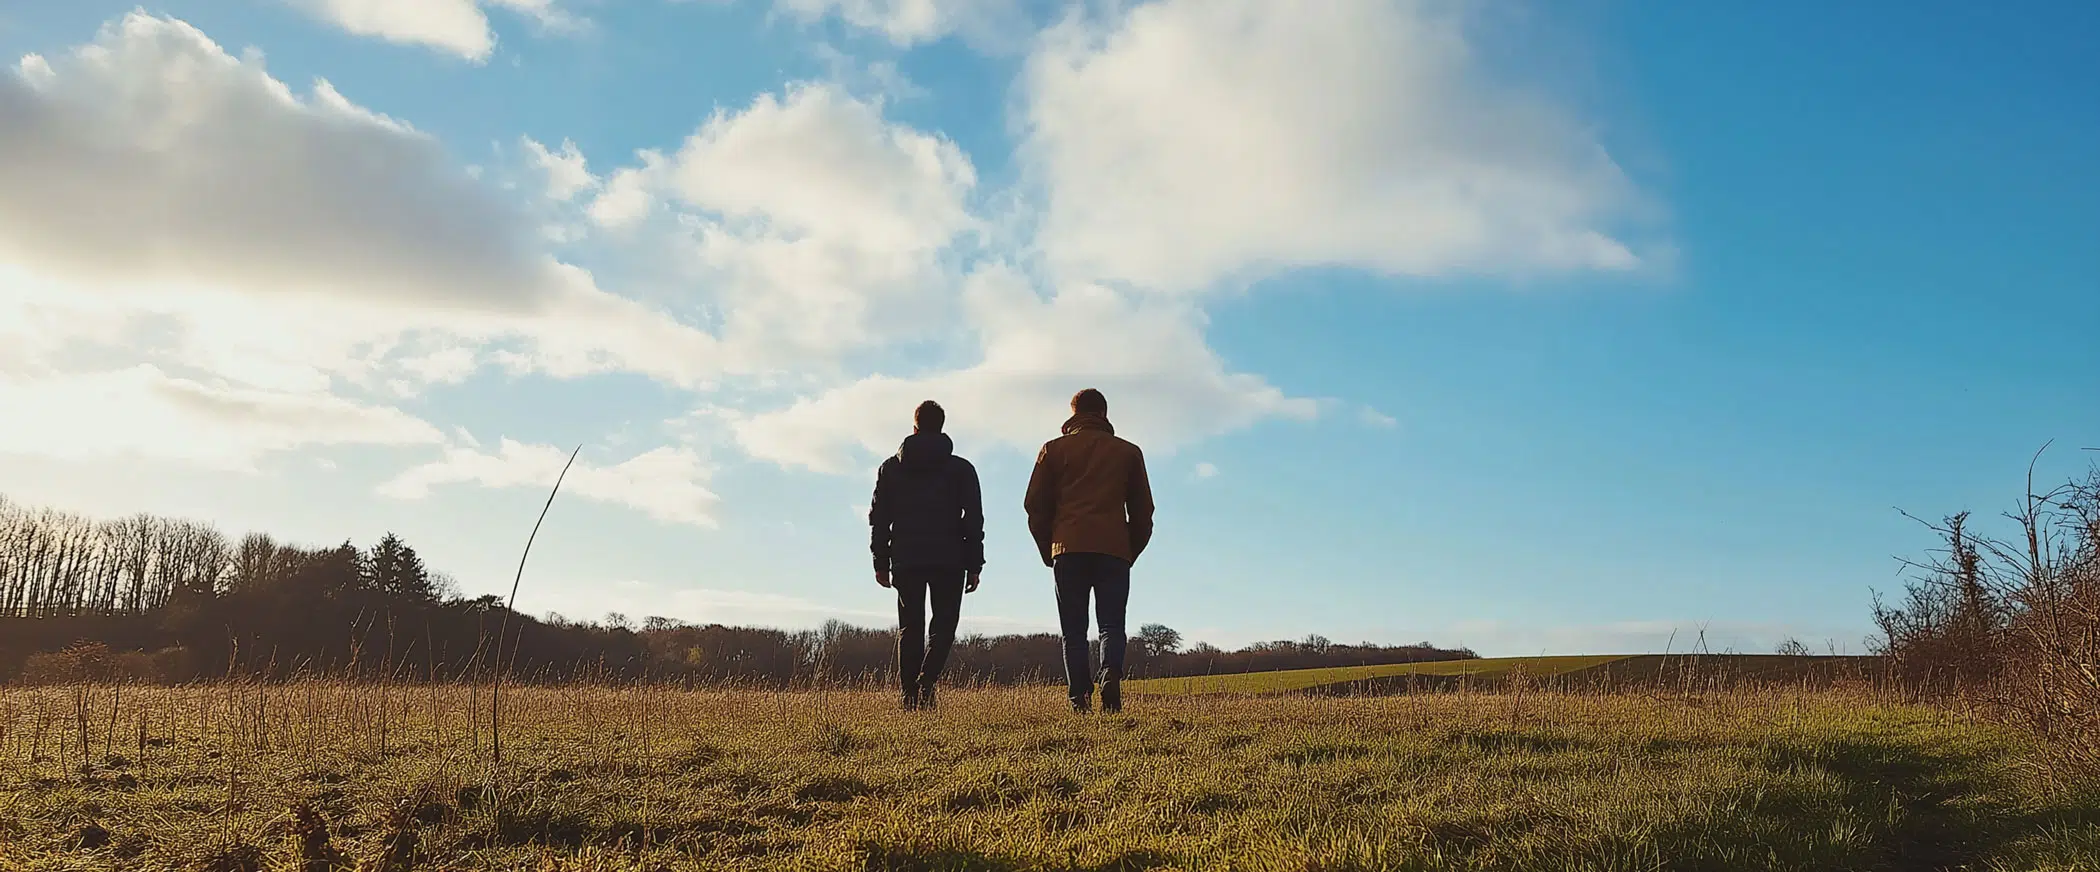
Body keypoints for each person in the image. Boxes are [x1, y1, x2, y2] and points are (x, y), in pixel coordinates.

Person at [1024, 388, 1155, 713]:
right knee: (1111, 624)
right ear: (1104, 415)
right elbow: (1143, 511)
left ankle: (1079, 698)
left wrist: (1049, 548)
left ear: (1073, 414)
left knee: (1074, 630)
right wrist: (1129, 549)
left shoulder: (1052, 450)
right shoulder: (1128, 452)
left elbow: (1034, 507)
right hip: (1113, 549)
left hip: (1067, 548)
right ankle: (1110, 670)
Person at [868, 400, 984, 711]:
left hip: (906, 557)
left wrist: (880, 561)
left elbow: (879, 518)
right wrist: (974, 564)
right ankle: (927, 680)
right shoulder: (961, 469)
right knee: (944, 626)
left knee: (910, 626)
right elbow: (973, 519)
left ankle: (910, 695)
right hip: (950, 558)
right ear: (942, 426)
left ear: (914, 426)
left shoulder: (891, 468)